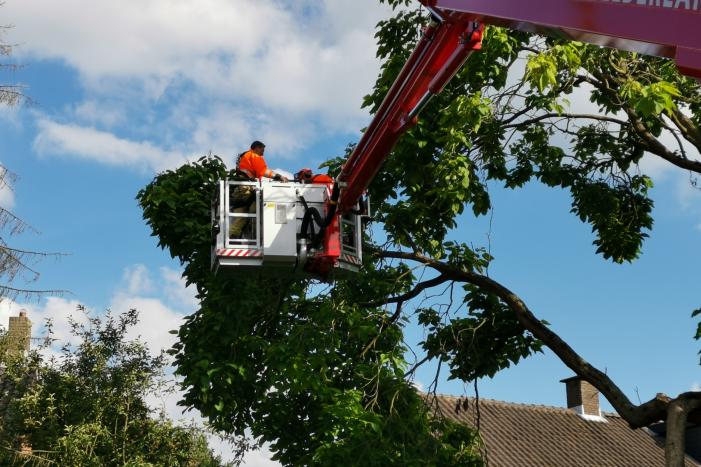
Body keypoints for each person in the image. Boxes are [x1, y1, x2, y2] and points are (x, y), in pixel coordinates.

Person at [229, 141, 288, 239]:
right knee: (255, 210)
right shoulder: (254, 156)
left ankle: (234, 236)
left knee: (242, 214)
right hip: (246, 187)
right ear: (256, 148)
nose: (263, 152)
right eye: (262, 149)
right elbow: (263, 171)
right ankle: (241, 236)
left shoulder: (246, 156)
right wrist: (279, 176)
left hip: (242, 187)